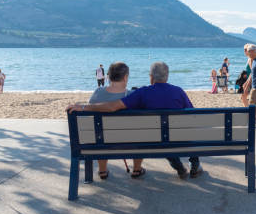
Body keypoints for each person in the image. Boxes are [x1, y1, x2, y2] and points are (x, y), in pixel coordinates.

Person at [67, 62, 202, 179]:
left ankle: (180, 168)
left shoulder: (142, 93)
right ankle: (194, 164)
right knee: (179, 135)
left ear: (151, 77)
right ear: (167, 76)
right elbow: (193, 115)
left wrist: (83, 106)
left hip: (154, 140)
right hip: (178, 138)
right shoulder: (178, 91)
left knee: (160, 139)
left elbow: (113, 106)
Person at [87, 62, 130, 180]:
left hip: (101, 141)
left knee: (100, 133)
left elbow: (89, 113)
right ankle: (137, 169)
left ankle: (102, 170)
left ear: (108, 77)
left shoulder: (98, 93)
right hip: (129, 140)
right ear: (125, 77)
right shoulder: (131, 95)